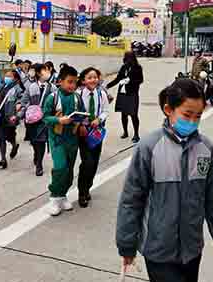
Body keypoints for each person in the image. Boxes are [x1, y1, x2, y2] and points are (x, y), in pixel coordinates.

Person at [116, 78, 213, 282]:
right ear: (168, 110)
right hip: (158, 250)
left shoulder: (206, 148)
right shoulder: (149, 147)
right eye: (187, 115)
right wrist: (126, 244)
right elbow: (131, 200)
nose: (193, 122)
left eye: (198, 116)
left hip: (192, 249)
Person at [42, 65, 85, 216]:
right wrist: (59, 120)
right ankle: (54, 197)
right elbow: (44, 117)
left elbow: (82, 113)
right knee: (60, 167)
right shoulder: (52, 97)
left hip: (72, 139)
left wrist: (82, 120)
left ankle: (63, 194)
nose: (72, 85)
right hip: (57, 139)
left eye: (75, 82)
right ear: (60, 81)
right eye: (69, 82)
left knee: (69, 170)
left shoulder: (77, 97)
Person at [76, 67, 110, 208]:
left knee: (94, 162)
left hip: (96, 133)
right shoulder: (78, 94)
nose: (93, 80)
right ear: (84, 80)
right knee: (87, 162)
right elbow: (75, 112)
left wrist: (99, 119)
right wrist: (80, 124)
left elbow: (106, 110)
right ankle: (82, 192)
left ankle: (87, 187)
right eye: (89, 77)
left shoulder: (101, 94)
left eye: (95, 77)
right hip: (83, 132)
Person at [0, 70, 29, 170]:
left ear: (15, 78)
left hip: (10, 117)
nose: (6, 77)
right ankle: (3, 159)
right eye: (6, 75)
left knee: (10, 136)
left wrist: (18, 107)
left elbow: (22, 100)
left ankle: (14, 145)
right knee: (1, 137)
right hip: (1, 116)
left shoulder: (18, 89)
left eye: (9, 76)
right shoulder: (1, 86)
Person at [24, 63, 55, 176]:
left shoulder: (52, 87)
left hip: (44, 120)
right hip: (32, 119)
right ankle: (36, 154)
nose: (47, 72)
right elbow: (24, 100)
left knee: (41, 141)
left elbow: (56, 102)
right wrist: (23, 109)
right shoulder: (31, 87)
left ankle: (39, 165)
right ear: (38, 73)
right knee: (34, 142)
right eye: (45, 70)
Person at [107, 51, 144, 142]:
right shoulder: (124, 67)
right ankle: (125, 132)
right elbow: (117, 79)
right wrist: (107, 86)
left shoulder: (138, 68)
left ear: (133, 58)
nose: (128, 60)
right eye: (126, 58)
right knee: (123, 114)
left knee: (133, 114)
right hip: (123, 93)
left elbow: (140, 80)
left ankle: (136, 134)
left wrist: (130, 81)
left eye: (129, 58)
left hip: (132, 93)